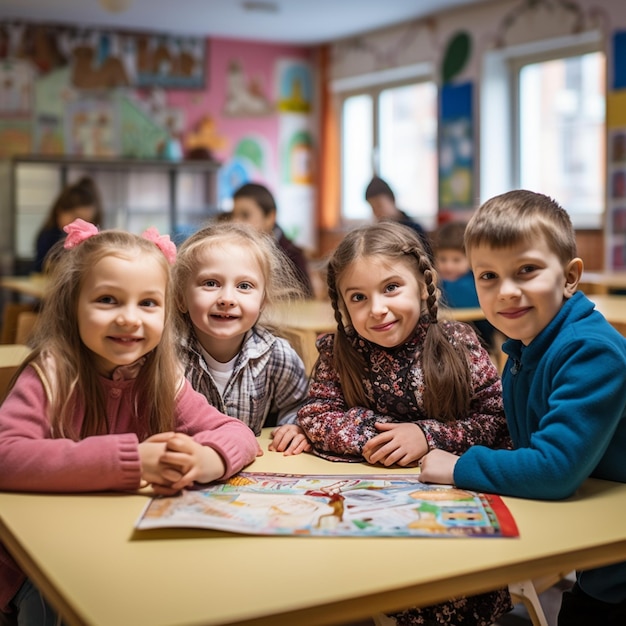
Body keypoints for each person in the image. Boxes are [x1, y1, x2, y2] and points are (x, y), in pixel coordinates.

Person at [0, 219, 259, 625]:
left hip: (120, 545)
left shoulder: (159, 378)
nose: (129, 319)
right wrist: (133, 462)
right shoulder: (51, 374)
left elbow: (235, 432)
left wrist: (205, 459)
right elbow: (5, 456)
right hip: (36, 562)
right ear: (73, 305)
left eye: (148, 303)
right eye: (108, 300)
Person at [418, 190, 626, 626]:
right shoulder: (527, 349)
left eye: (526, 271)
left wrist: (458, 467)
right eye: (488, 276)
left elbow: (554, 469)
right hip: (600, 560)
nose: (507, 291)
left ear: (569, 277)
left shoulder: (591, 351)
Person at [297, 221, 512, 625]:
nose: (376, 309)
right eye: (358, 297)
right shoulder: (338, 352)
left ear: (424, 285)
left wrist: (427, 436)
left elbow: (496, 420)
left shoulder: (459, 345)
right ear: (342, 304)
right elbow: (315, 413)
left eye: (391, 288)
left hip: (451, 508)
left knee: (447, 589)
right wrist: (382, 435)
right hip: (367, 511)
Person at [173, 221, 311, 454]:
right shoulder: (167, 356)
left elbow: (301, 406)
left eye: (244, 286)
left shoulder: (277, 355)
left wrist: (296, 427)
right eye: (210, 283)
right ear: (181, 298)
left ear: (263, 301)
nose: (227, 298)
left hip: (254, 470)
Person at [231, 182, 314, 297]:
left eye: (245, 215)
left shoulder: (293, 255)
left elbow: (306, 298)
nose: (236, 222)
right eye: (233, 215)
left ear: (270, 217)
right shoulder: (232, 251)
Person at [432, 220, 496, 350]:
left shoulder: (475, 280)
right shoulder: (436, 280)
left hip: (481, 342)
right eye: (443, 259)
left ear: (471, 259)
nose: (448, 266)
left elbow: (460, 299)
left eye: (456, 260)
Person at [34, 176, 103, 273]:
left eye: (87, 222)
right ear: (60, 211)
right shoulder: (49, 236)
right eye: (76, 218)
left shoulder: (92, 238)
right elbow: (42, 267)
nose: (80, 226)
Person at [365, 175, 433, 260]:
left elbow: (426, 260)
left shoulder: (414, 228)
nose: (376, 212)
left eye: (379, 205)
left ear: (392, 199)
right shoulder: (377, 232)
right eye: (372, 208)